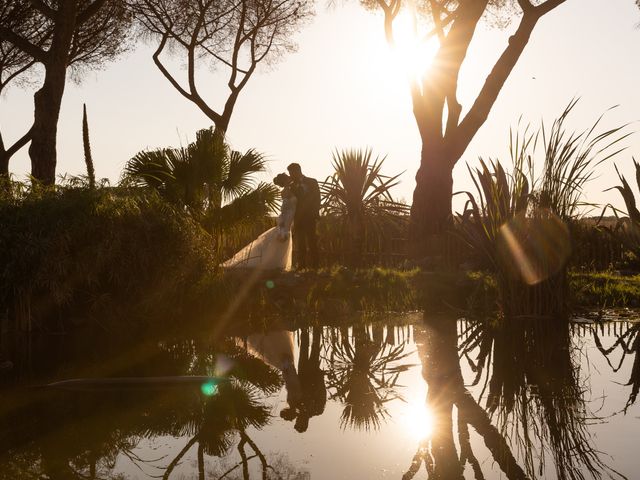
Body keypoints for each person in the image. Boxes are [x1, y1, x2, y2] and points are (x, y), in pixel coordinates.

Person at [222, 173, 296, 270]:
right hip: (287, 218)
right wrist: (283, 222)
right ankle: (274, 264)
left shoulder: (293, 189)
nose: (290, 178)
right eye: (287, 178)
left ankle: (277, 264)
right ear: (285, 181)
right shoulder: (286, 192)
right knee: (281, 237)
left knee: (282, 239)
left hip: (290, 218)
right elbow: (285, 209)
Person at [287, 163, 320, 269]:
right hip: (298, 218)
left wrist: (314, 213)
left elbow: (317, 199)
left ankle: (315, 266)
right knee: (300, 242)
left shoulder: (312, 182)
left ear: (298, 171)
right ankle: (301, 265)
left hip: (310, 217)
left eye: (292, 173)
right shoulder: (291, 186)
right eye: (289, 173)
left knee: (312, 241)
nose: (291, 176)